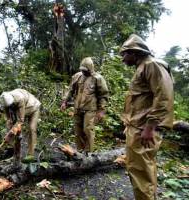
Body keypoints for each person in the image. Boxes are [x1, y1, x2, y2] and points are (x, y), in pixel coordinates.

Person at [119, 34, 174, 200]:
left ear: (134, 52)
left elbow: (164, 97)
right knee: (142, 170)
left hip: (144, 128)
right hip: (138, 126)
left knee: (140, 171)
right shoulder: (143, 66)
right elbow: (142, 99)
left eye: (125, 54)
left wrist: (150, 127)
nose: (123, 59)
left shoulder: (152, 65)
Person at [61, 57, 109, 152]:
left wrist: (101, 110)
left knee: (88, 130)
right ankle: (79, 152)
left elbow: (103, 95)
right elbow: (70, 90)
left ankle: (89, 154)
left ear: (90, 68)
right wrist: (64, 102)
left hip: (90, 109)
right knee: (78, 132)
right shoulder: (77, 76)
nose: (83, 72)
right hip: (78, 107)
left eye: (85, 70)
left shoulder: (97, 78)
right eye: (82, 70)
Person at [0, 89, 41, 165]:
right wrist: (9, 126)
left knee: (32, 129)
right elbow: (8, 118)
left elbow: (20, 121)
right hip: (21, 108)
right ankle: (12, 150)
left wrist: (10, 134)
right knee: (10, 124)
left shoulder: (20, 99)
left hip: (33, 108)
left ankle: (30, 155)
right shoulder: (4, 100)